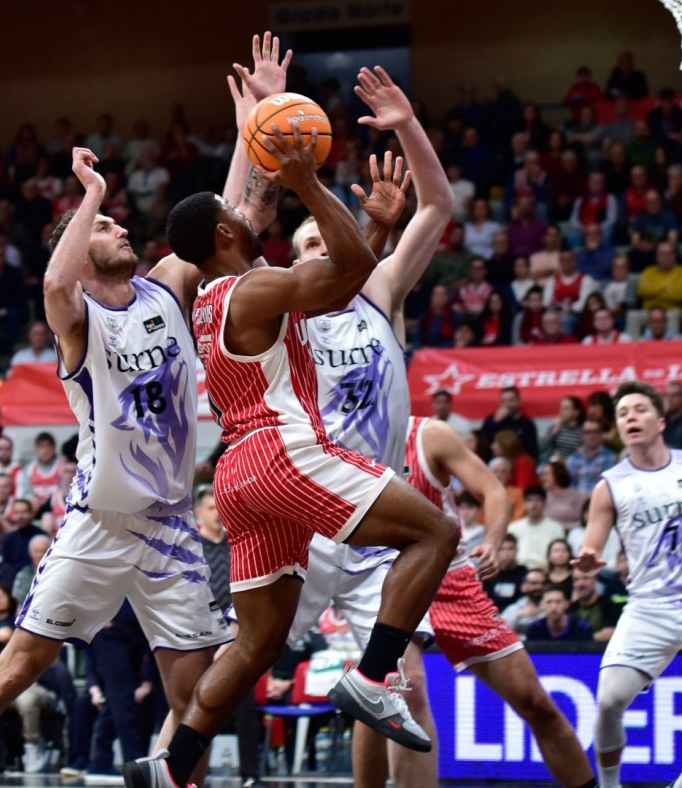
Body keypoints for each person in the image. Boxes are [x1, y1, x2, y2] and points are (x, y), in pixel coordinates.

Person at [146, 107, 458, 788]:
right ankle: (373, 677)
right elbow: (342, 275)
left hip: (236, 475)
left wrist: (375, 226)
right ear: (228, 232)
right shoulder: (253, 287)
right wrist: (309, 185)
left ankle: (171, 768)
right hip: (283, 450)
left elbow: (340, 283)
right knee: (436, 530)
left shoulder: (216, 296)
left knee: (256, 644)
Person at [0, 146, 230, 788]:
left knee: (196, 700)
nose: (122, 227)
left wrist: (249, 127)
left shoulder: (168, 285)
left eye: (117, 221)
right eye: (105, 226)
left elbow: (216, 222)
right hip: (99, 523)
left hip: (171, 526)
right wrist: (87, 196)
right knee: (14, 670)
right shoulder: (78, 317)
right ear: (82, 247)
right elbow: (55, 284)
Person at [404, 415, 596, 786]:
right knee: (407, 695)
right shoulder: (340, 438)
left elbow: (493, 490)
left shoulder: (429, 435)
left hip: (452, 581)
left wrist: (492, 540)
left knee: (535, 701)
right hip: (386, 580)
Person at [575, 382, 682, 788]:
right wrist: (589, 557)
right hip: (648, 606)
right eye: (623, 413)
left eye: (639, 409)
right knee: (610, 700)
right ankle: (611, 785)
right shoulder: (609, 484)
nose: (630, 417)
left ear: (661, 421)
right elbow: (591, 543)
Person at [507, 488, 566, 570]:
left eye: (538, 500)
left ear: (545, 504)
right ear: (524, 504)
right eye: (529, 500)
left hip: (546, 570)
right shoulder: (513, 528)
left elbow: (560, 553)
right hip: (517, 570)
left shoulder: (556, 528)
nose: (534, 504)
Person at [525, 588, 593, 641]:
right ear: (542, 605)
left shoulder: (581, 628)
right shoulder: (534, 629)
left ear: (567, 604)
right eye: (549, 602)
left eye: (558, 602)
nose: (553, 607)